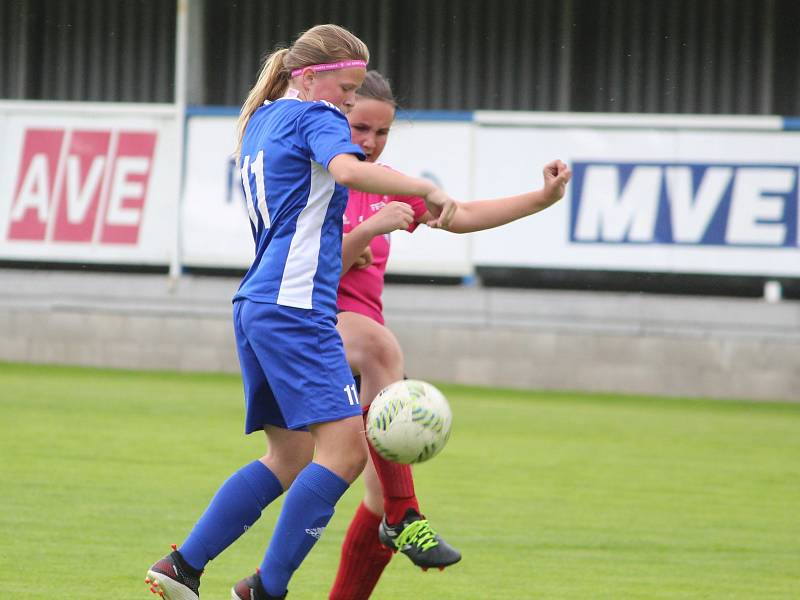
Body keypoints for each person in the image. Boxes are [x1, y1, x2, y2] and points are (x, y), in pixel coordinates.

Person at [144, 25, 457, 600]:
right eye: (346, 86)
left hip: (256, 303)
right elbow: (346, 170)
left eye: (356, 87)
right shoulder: (319, 118)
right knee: (346, 453)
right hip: (294, 306)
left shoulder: (263, 118)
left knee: (288, 455)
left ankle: (182, 566)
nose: (349, 99)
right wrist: (422, 186)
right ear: (308, 77)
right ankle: (267, 589)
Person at [328, 71, 572, 600]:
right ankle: (405, 514)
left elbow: (459, 215)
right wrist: (363, 236)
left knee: (361, 493)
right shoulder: (317, 181)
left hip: (359, 352)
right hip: (315, 329)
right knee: (380, 349)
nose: (368, 142)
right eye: (358, 127)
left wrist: (542, 199)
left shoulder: (386, 184)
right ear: (334, 115)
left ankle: (262, 580)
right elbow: (307, 268)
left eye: (380, 133)